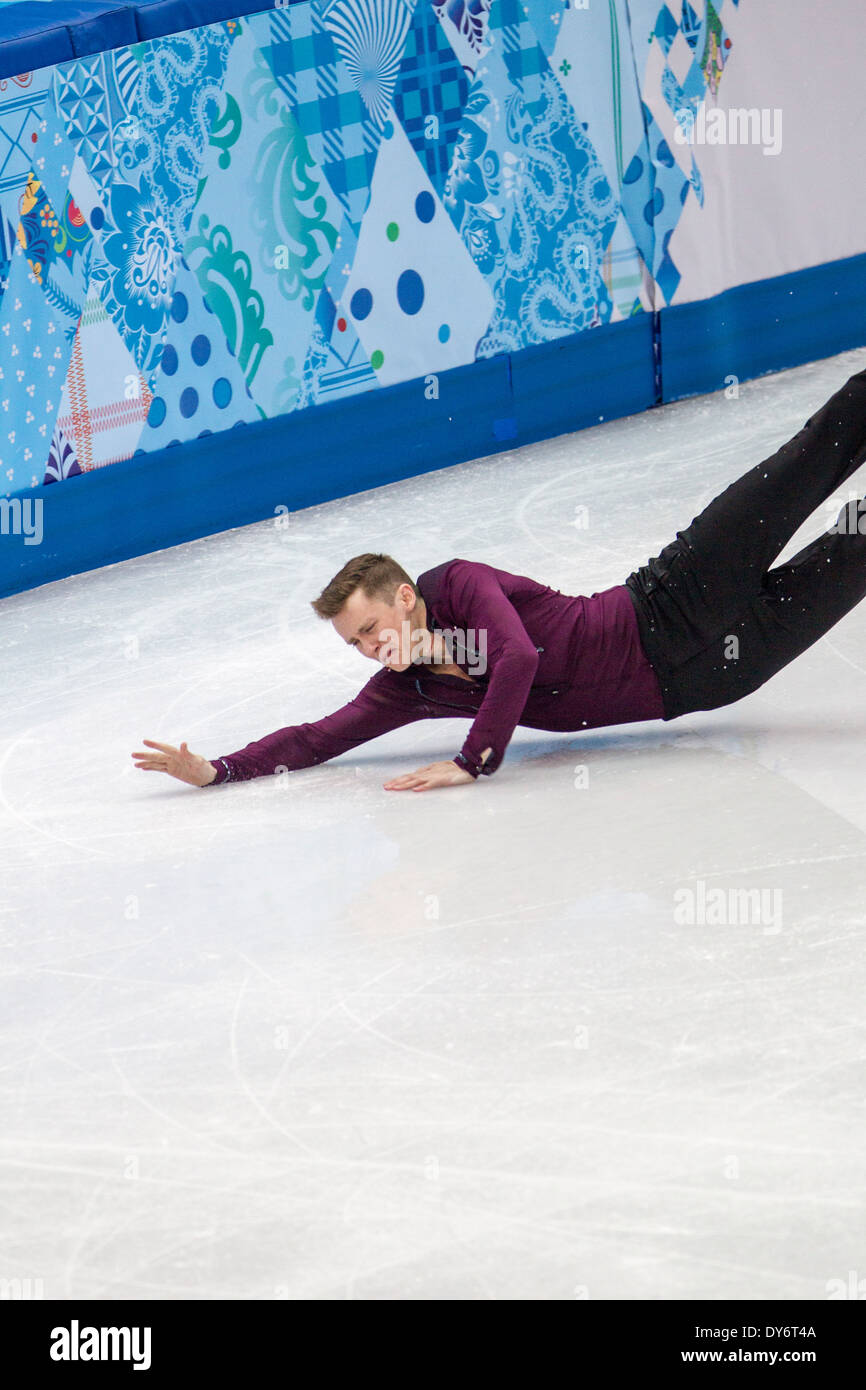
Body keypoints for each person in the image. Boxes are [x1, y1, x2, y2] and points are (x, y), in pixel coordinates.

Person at [132, 365, 866, 793]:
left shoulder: (458, 585)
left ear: (406, 599)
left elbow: (518, 658)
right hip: (708, 681)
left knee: (812, 458)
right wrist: (220, 769)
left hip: (675, 598)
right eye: (354, 643)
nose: (365, 649)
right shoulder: (408, 687)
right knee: (859, 548)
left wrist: (472, 760)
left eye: (368, 628)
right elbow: (321, 737)